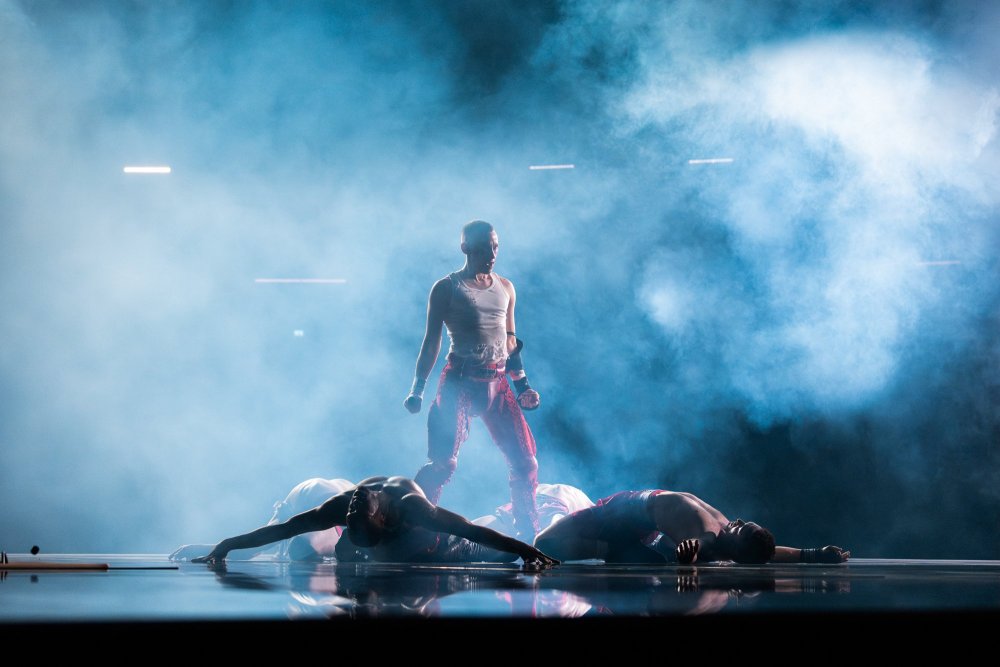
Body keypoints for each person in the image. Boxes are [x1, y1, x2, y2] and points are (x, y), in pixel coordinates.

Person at [403, 220, 542, 539]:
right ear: (465, 248)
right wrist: (418, 389)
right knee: (442, 464)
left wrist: (523, 386)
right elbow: (431, 341)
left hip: (497, 383)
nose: (491, 254)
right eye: (483, 248)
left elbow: (510, 341)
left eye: (495, 246)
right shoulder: (447, 288)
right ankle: (413, 528)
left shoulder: (506, 287)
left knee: (525, 463)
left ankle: (528, 534)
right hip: (459, 383)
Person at [192, 476, 558, 566]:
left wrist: (526, 551)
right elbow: (283, 529)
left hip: (439, 546)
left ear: (381, 518)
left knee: (488, 553)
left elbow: (471, 530)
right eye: (352, 514)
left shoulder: (414, 508)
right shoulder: (343, 508)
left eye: (353, 514)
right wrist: (225, 545)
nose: (350, 509)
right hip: (388, 547)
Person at [533, 489, 850, 565]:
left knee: (543, 543)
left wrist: (690, 552)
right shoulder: (726, 531)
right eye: (742, 522)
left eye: (740, 528)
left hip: (620, 515)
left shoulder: (712, 537)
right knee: (654, 545)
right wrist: (813, 553)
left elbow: (700, 545)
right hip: (642, 525)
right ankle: (624, 549)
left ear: (734, 545)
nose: (735, 521)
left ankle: (614, 548)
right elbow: (766, 552)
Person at [170, 477, 354, 562]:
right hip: (310, 497)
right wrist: (215, 547)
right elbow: (260, 543)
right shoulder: (324, 507)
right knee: (281, 540)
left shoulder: (345, 525)